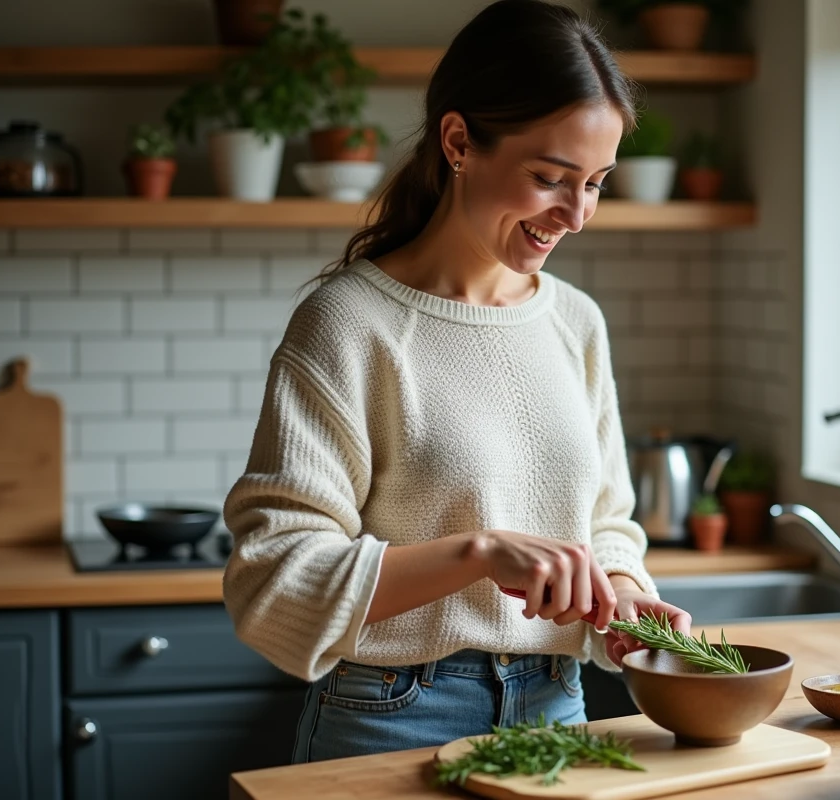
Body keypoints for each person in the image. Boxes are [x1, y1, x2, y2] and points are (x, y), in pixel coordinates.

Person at [222, 0, 692, 763]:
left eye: (597, 183)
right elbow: (273, 580)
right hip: (388, 715)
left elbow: (605, 522)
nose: (576, 215)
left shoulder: (575, 323)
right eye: (550, 177)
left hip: (557, 709)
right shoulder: (348, 323)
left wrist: (623, 595)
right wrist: (477, 554)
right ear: (459, 141)